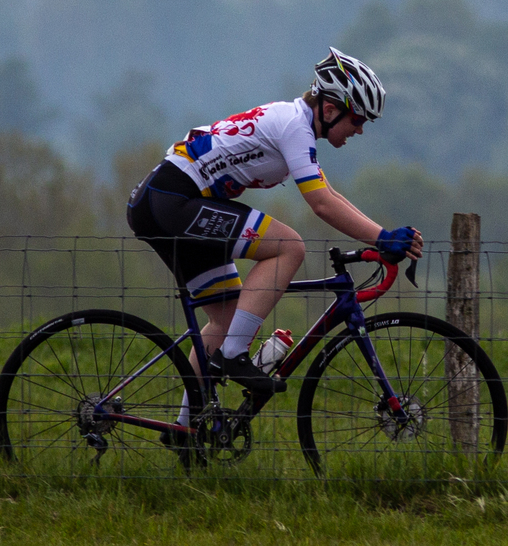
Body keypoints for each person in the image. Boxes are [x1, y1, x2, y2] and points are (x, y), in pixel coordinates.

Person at [125, 48, 422, 397]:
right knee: (288, 247)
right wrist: (382, 237)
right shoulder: (294, 127)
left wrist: (382, 236)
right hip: (173, 201)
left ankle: (189, 429)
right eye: (357, 120)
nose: (359, 130)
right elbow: (322, 206)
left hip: (166, 202)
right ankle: (233, 357)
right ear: (329, 109)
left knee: (225, 320)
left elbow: (330, 193)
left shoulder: (296, 125)